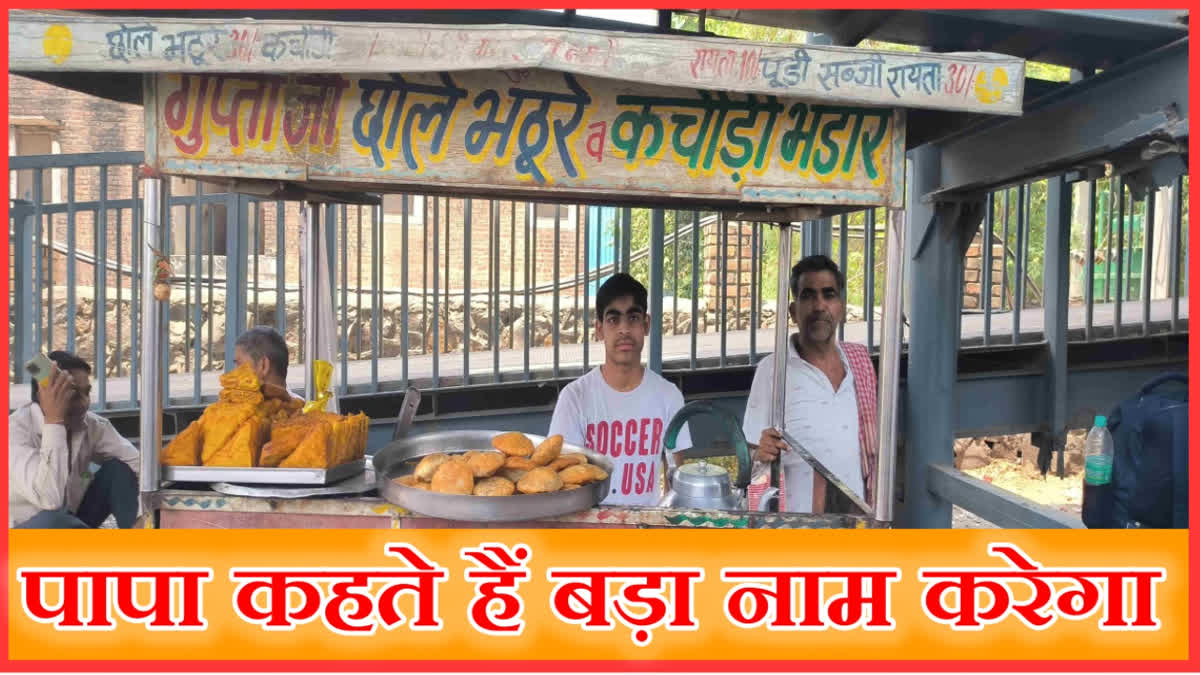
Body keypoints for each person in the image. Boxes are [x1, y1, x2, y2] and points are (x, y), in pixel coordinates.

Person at [743, 255, 879, 514]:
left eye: (828, 295)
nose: (819, 305)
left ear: (840, 306)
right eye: (808, 295)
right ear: (793, 311)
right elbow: (750, 452)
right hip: (795, 527)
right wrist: (760, 452)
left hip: (852, 522)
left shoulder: (859, 364)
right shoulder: (773, 369)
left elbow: (871, 454)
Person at [549, 273, 691, 506]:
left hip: (645, 530)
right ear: (599, 329)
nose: (624, 329)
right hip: (590, 527)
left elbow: (676, 482)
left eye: (633, 318)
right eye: (614, 320)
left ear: (646, 324)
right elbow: (562, 479)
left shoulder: (669, 396)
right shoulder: (575, 398)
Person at [9, 351, 141, 528]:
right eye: (73, 394)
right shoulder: (13, 432)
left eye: (87, 393)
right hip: (24, 533)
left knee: (119, 471)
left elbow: (139, 465)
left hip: (73, 521)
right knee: (54, 520)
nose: (84, 403)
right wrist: (54, 422)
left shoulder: (91, 424)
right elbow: (50, 500)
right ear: (45, 395)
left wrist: (141, 517)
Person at [233, 326, 302, 400]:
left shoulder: (242, 410)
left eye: (239, 364)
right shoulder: (302, 408)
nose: (234, 374)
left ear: (263, 366)